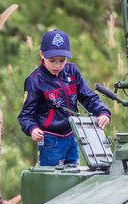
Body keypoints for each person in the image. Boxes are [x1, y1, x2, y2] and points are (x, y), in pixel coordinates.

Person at [18, 29, 111, 166]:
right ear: (41, 54)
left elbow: (88, 96)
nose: (57, 65)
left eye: (62, 60)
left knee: (73, 174)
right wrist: (32, 128)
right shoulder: (35, 80)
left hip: (73, 135)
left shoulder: (72, 71)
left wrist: (102, 112)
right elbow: (25, 116)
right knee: (54, 179)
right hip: (50, 139)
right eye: (52, 60)